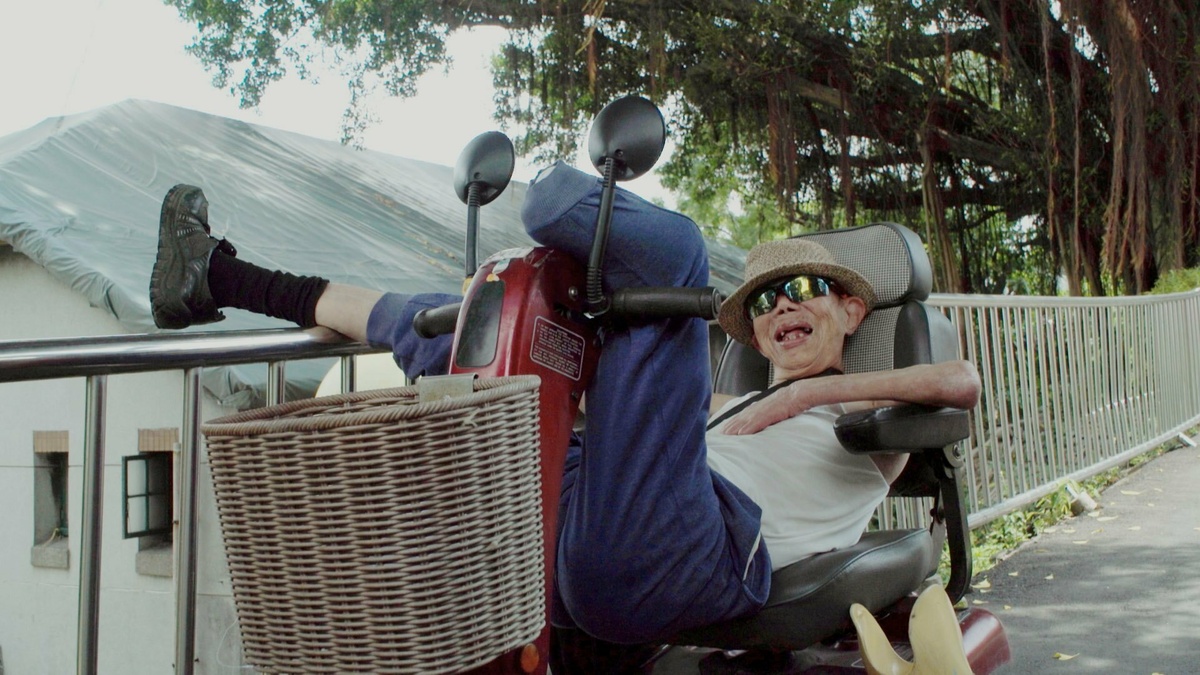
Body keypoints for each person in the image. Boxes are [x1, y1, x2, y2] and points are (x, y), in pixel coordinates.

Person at [149, 162, 980, 661]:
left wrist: (806, 392)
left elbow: (962, 384)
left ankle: (562, 194)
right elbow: (644, 424)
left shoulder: (870, 411)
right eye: (764, 300)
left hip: (693, 549)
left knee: (678, 252)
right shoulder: (730, 400)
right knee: (470, 321)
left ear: (852, 313)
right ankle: (222, 278)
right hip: (605, 519)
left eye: (805, 290)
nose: (780, 308)